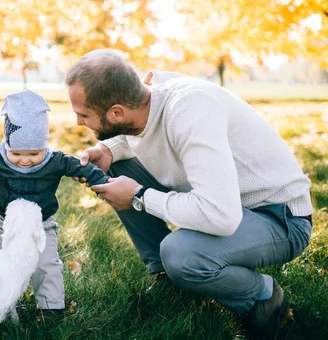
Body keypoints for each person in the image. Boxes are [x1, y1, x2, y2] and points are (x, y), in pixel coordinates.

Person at [66, 49, 313, 340]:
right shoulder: (147, 97)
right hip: (230, 205)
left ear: (117, 112)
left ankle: (263, 298)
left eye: (83, 115)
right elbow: (145, 132)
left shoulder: (190, 110)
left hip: (278, 217)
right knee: (118, 166)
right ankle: (167, 276)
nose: (79, 123)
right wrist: (108, 150)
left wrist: (139, 196)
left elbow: (220, 216)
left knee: (181, 254)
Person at [0, 89, 109, 318]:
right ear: (7, 145)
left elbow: (81, 167)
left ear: (44, 146)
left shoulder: (55, 161)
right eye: (17, 153)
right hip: (4, 222)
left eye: (34, 153)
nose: (25, 160)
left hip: (41, 225)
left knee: (46, 263)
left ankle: (50, 307)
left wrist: (100, 181)